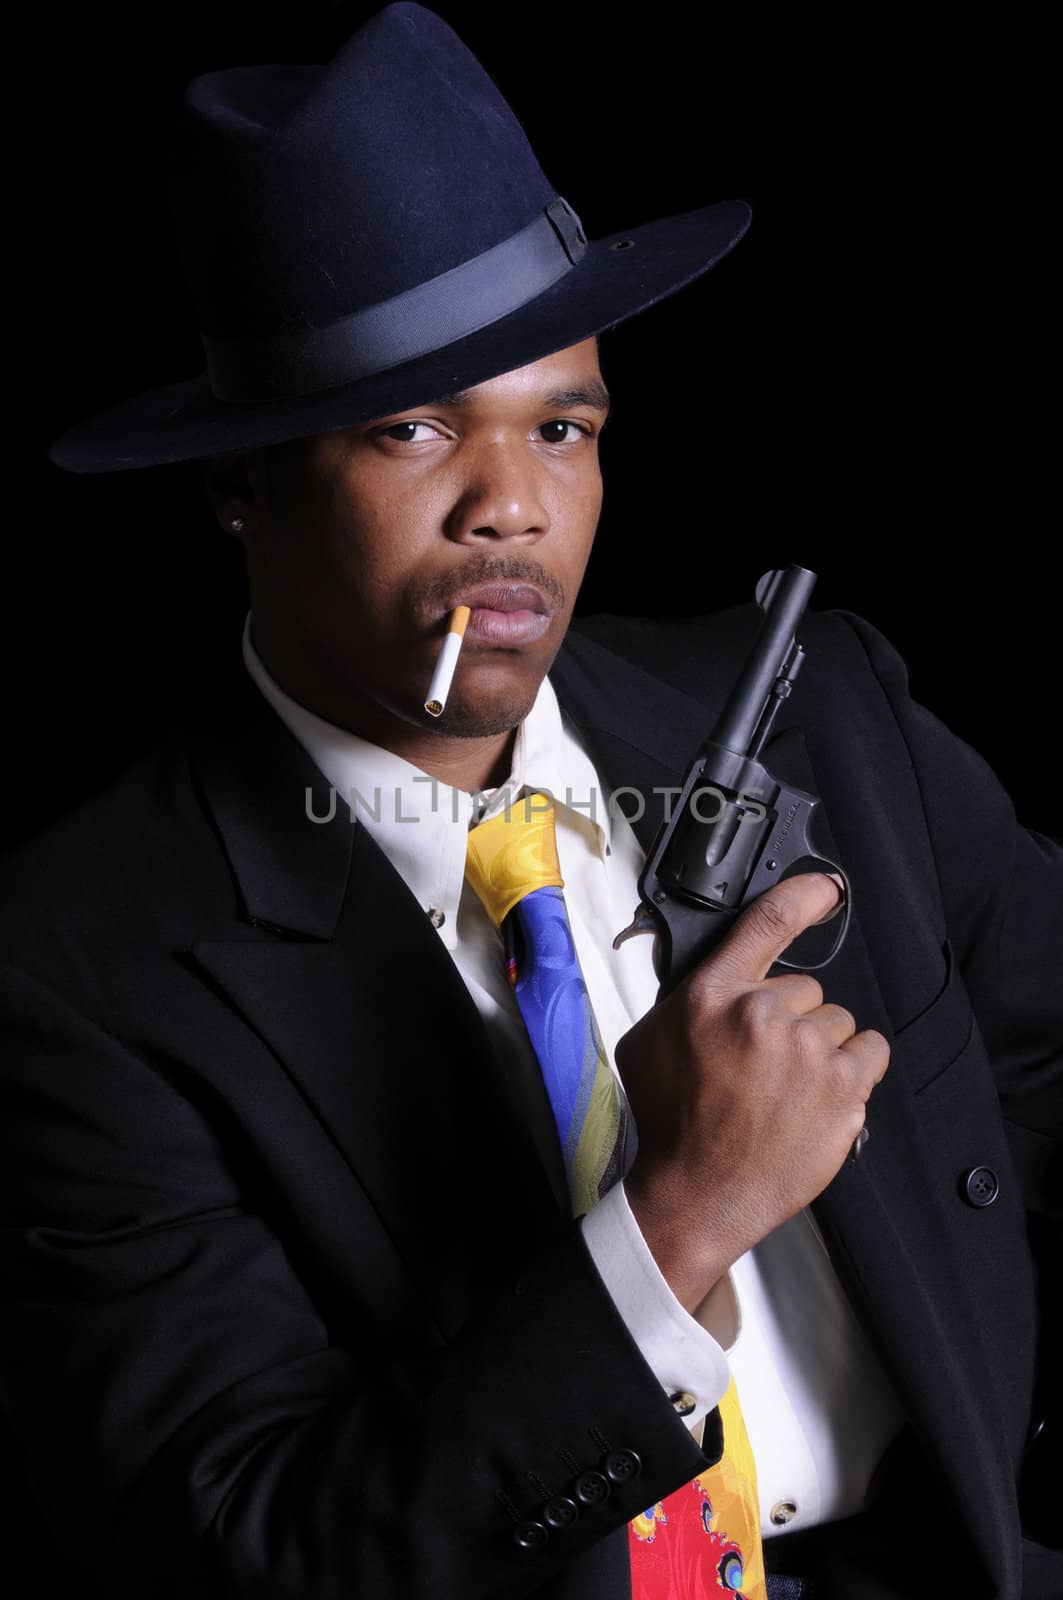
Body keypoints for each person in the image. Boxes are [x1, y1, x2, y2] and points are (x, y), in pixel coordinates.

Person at [3, 4, 1060, 1597]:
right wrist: (677, 1220)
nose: (514, 505)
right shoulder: (72, 963)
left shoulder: (832, 718)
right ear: (241, 484)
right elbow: (260, 1546)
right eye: (414, 426)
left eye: (560, 426)